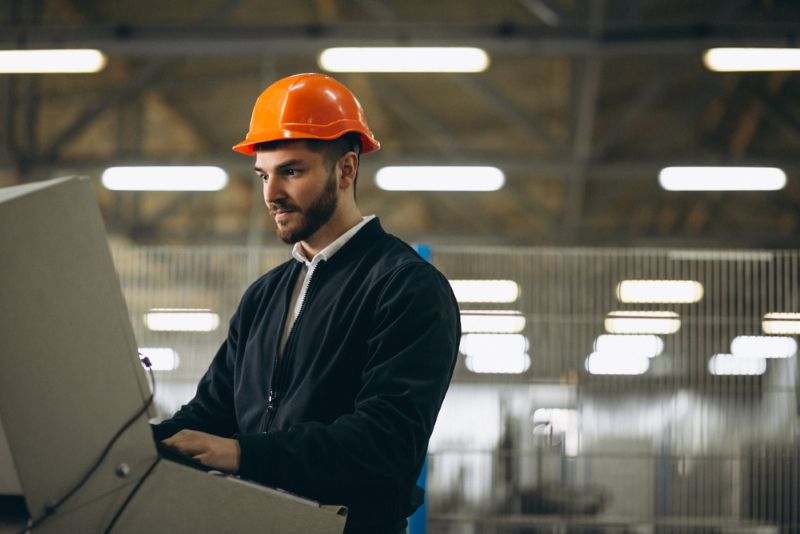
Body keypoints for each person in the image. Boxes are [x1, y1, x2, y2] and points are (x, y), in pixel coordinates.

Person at [152, 73, 461, 534]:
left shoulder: (407, 287)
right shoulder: (264, 296)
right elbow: (210, 416)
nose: (271, 194)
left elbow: (385, 444)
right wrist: (127, 446)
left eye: (291, 171)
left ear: (346, 169)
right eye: (263, 175)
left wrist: (244, 454)